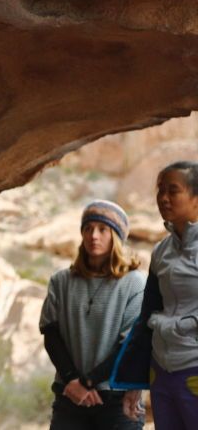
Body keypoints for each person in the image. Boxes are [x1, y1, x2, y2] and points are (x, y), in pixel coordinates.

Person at [39, 200, 145, 429]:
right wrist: (73, 381)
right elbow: (50, 334)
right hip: (69, 398)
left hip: (117, 401)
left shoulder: (135, 283)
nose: (93, 236)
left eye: (102, 229)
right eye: (88, 229)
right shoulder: (61, 281)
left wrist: (87, 382)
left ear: (116, 236)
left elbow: (129, 345)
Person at [112, 161, 198, 429]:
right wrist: (134, 382)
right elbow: (147, 315)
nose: (163, 197)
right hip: (161, 372)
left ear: (196, 198)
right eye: (160, 189)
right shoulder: (162, 251)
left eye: (173, 191)